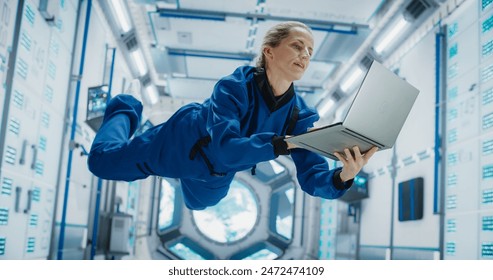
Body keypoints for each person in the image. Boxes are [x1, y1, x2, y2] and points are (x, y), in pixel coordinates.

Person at [87, 21, 378, 210]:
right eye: (297, 46)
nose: (305, 55)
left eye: (310, 51)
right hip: (181, 144)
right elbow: (225, 148)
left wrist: (342, 177)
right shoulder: (233, 87)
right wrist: (281, 144)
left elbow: (312, 176)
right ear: (269, 52)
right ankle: (126, 107)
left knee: (198, 205)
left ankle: (186, 182)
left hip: (217, 173)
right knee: (100, 162)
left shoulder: (298, 115)